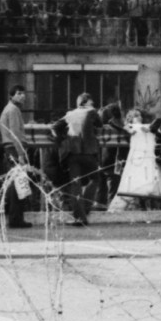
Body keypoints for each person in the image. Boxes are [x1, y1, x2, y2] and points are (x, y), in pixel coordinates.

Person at [59, 94, 104, 226]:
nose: (94, 103)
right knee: (95, 178)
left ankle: (80, 216)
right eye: (92, 101)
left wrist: (64, 141)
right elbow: (100, 124)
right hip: (88, 152)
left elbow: (55, 127)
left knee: (75, 183)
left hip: (72, 152)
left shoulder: (70, 114)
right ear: (86, 102)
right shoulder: (91, 112)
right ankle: (85, 208)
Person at [0, 86, 34, 228]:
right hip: (14, 149)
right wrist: (20, 154)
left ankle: (14, 217)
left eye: (23, 93)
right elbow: (15, 133)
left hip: (9, 148)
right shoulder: (13, 110)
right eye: (19, 93)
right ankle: (16, 219)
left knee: (14, 184)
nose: (22, 96)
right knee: (18, 184)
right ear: (11, 96)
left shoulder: (8, 109)